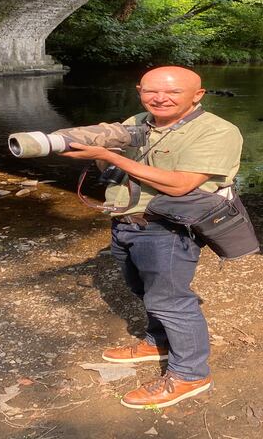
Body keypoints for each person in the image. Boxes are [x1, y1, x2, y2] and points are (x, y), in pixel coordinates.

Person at [60, 66, 243, 409]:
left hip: (169, 227)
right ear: (139, 90)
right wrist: (83, 145)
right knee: (141, 288)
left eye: (172, 93)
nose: (160, 98)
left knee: (170, 300)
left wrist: (106, 155)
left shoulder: (218, 131)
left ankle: (190, 374)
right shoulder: (138, 121)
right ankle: (157, 341)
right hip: (125, 220)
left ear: (197, 95)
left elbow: (180, 184)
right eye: (150, 91)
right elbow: (114, 166)